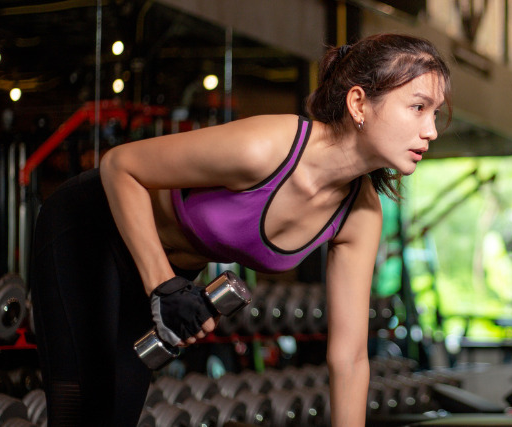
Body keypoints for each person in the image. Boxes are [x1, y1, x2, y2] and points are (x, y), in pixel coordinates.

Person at [28, 33, 451, 426]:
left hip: (161, 272)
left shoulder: (360, 215)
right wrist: (165, 287)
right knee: (78, 404)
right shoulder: (268, 147)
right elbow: (121, 166)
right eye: (417, 107)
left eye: (434, 113)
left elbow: (351, 357)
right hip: (90, 227)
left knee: (117, 411)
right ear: (359, 103)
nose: (430, 131)